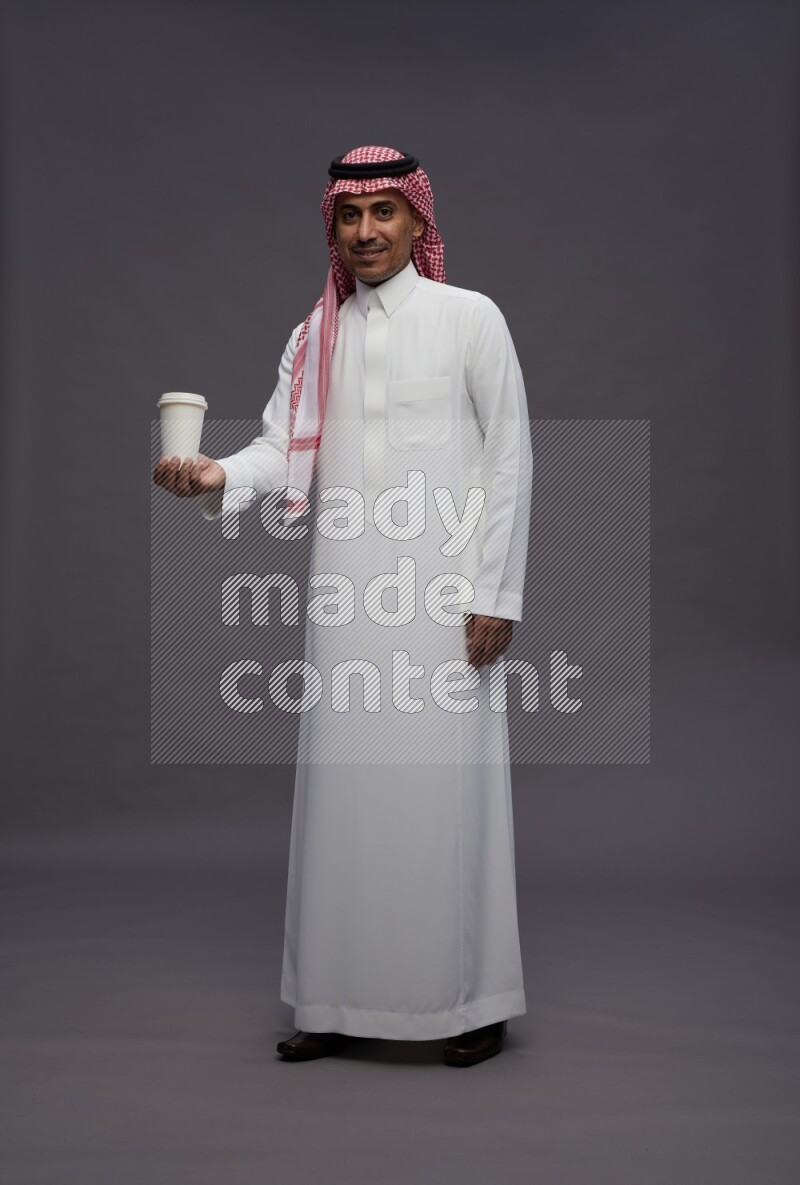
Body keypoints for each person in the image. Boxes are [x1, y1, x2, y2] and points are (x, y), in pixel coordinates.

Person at [153, 146, 533, 1067]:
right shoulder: (314, 334)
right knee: (344, 797)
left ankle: (468, 1001)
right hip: (348, 594)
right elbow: (283, 450)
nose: (365, 231)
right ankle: (332, 998)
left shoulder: (469, 318)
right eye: (348, 215)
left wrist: (496, 592)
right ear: (332, 225)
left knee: (446, 797)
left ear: (417, 222)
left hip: (445, 601)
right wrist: (214, 474)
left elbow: (509, 458)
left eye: (384, 213)